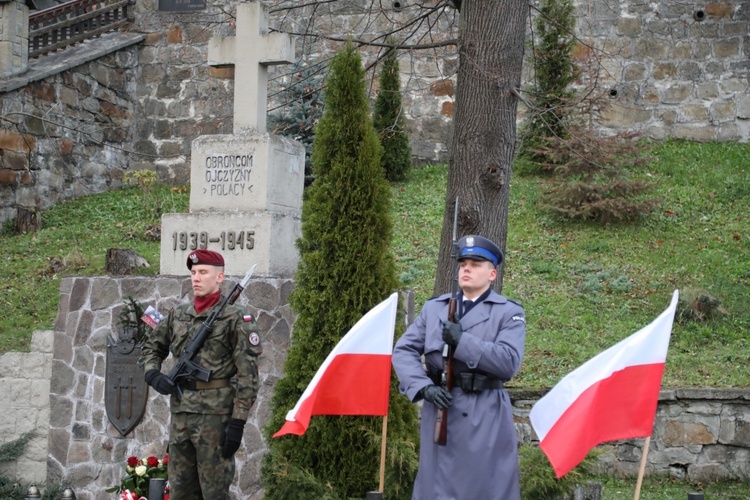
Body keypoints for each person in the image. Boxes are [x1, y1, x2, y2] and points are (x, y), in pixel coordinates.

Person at [392, 235, 526, 500]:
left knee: (480, 489)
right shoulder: (435, 309)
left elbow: (509, 361)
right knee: (435, 489)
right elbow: (403, 351)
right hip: (441, 409)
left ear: (492, 274)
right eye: (463, 263)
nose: (466, 268)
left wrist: (463, 341)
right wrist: (423, 387)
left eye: (476, 264)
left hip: (484, 414)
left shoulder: (508, 312)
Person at [139, 249, 262, 499]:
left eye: (203, 272)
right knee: (180, 492)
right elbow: (152, 348)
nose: (196, 278)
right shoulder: (177, 314)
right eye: (193, 272)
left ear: (219, 278)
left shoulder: (236, 317)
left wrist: (237, 422)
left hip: (215, 419)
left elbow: (248, 376)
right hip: (181, 414)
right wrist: (153, 375)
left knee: (214, 493)